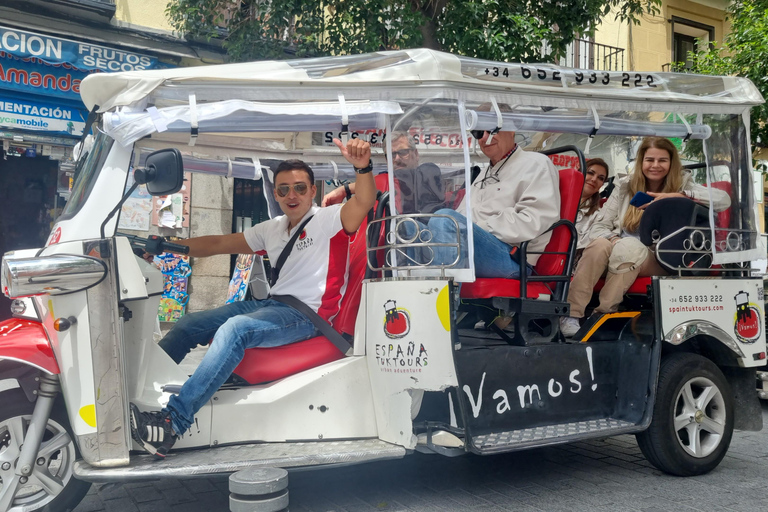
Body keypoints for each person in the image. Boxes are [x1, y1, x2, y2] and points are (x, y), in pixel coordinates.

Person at [130, 138, 376, 458]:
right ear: (275, 193)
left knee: (235, 329)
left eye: (300, 188)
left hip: (307, 316)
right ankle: (142, 395)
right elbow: (220, 243)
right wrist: (169, 247)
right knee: (189, 323)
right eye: (284, 189)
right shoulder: (271, 229)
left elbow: (365, 200)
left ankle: (172, 422)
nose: (292, 195)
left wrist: (362, 167)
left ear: (312, 191)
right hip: (272, 305)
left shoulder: (333, 219)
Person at [560, 137, 731, 337]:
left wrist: (679, 196)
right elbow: (599, 226)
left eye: (662, 160)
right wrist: (614, 240)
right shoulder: (625, 186)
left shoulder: (682, 183)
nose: (655, 165)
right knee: (599, 244)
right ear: (641, 161)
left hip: (660, 256)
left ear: (671, 163)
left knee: (629, 247)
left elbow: (723, 200)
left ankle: (603, 314)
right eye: (650, 160)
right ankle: (571, 314)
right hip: (619, 250)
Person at [427, 108, 560, 279]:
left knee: (444, 219)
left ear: (511, 128)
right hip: (476, 246)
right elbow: (460, 216)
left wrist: (477, 227)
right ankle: (416, 299)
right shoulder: (484, 173)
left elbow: (533, 220)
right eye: (478, 132)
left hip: (512, 256)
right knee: (408, 229)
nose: (484, 137)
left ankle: (445, 300)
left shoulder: (536, 164)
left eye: (491, 129)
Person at [322, 131, 445, 215]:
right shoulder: (386, 181)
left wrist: (345, 189)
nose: (396, 159)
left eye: (403, 152)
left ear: (416, 154)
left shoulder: (429, 171)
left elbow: (401, 178)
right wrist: (345, 189)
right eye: (391, 155)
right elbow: (383, 180)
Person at [575, 158, 609, 255]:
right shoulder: (555, 197)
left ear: (602, 184)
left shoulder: (597, 216)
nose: (594, 179)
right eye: (590, 173)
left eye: (600, 178)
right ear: (580, 172)